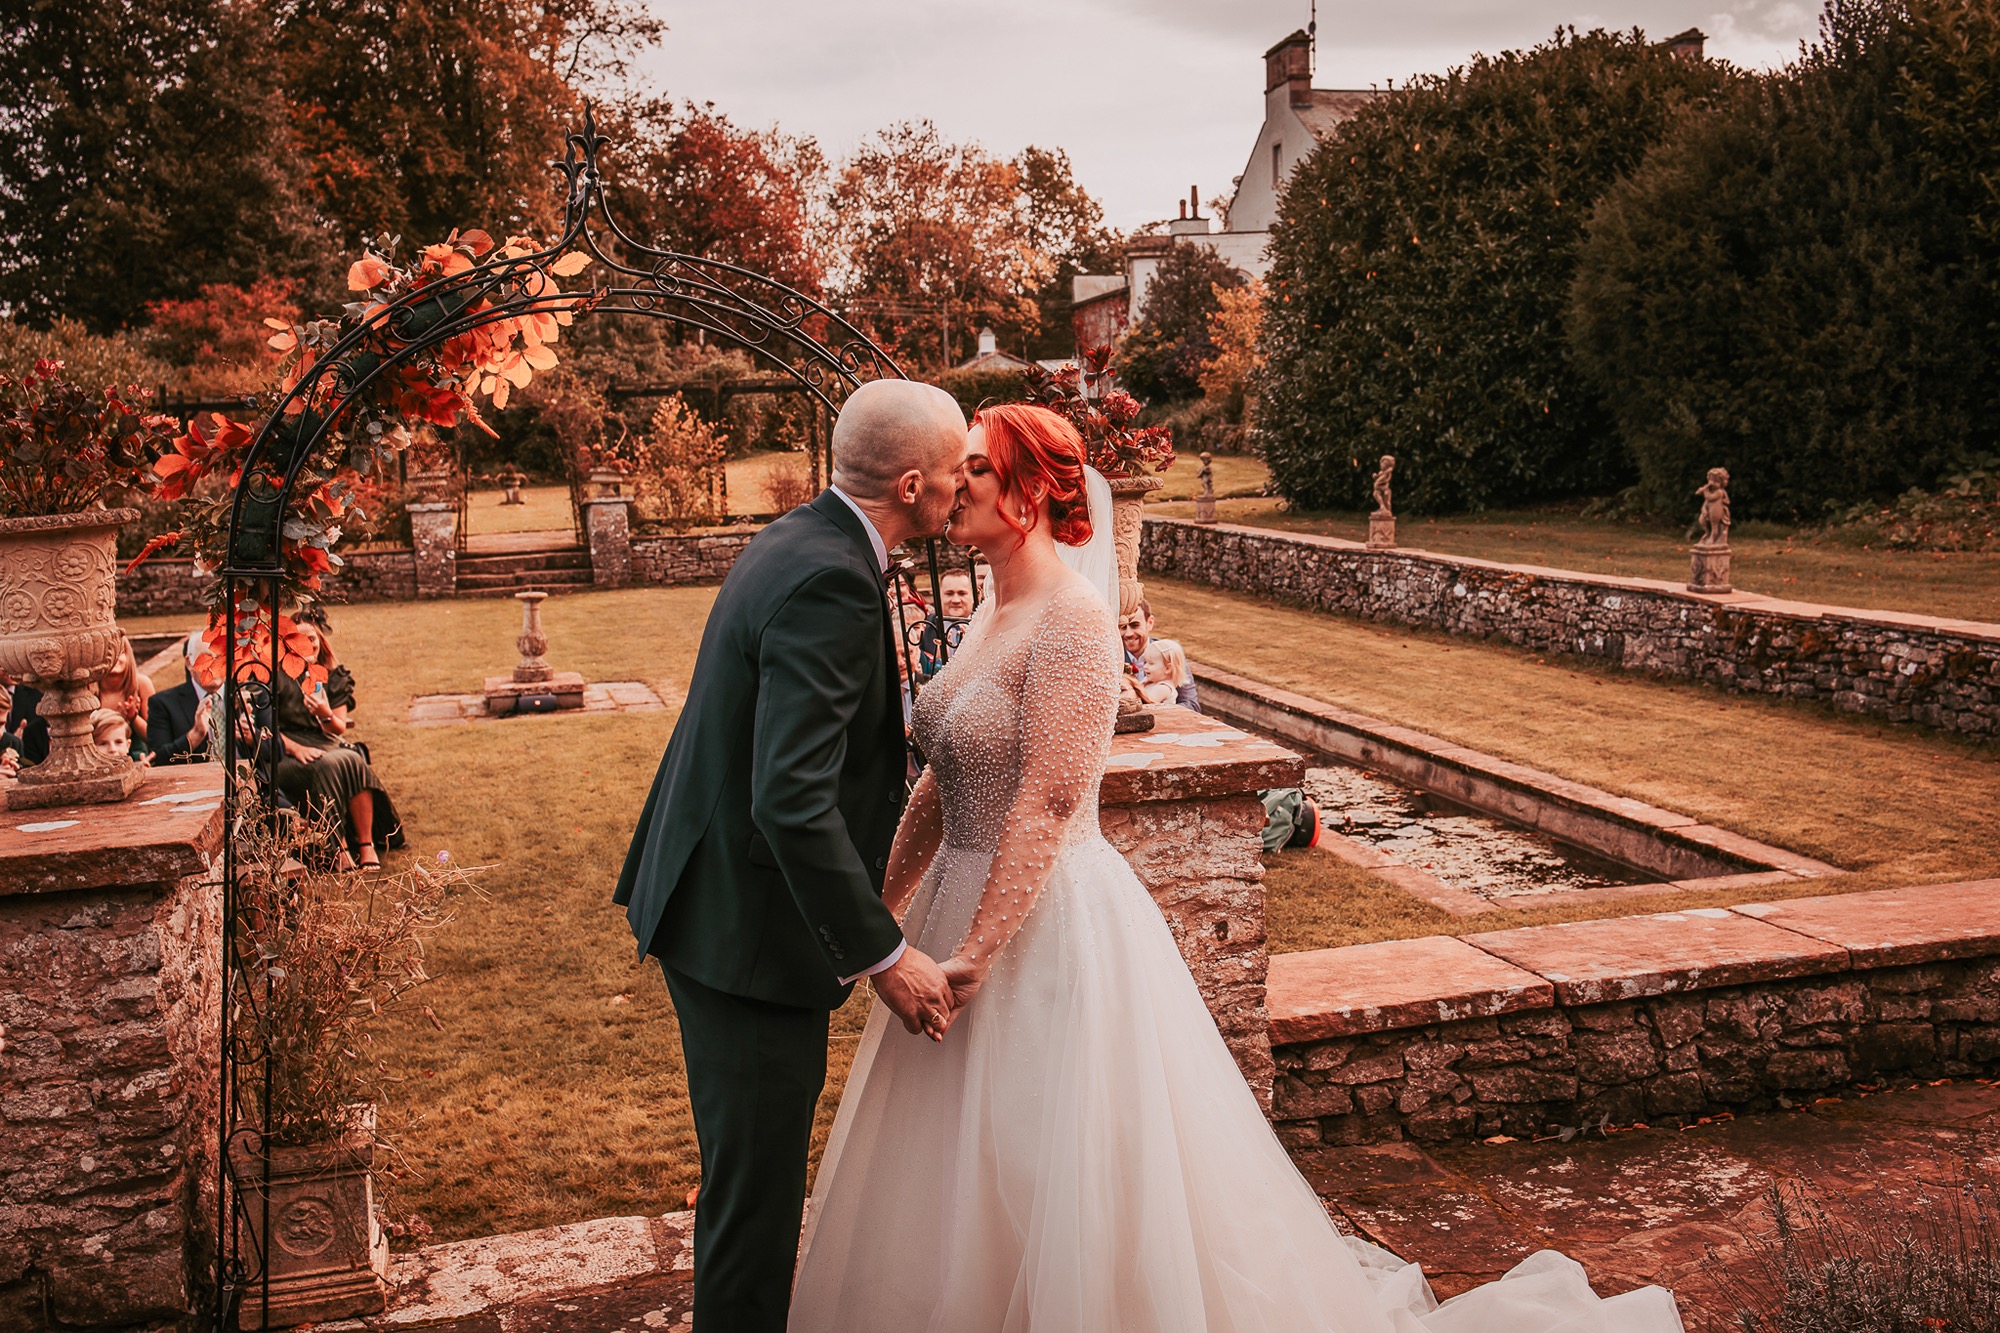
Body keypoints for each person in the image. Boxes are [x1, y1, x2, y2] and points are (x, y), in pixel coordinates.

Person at [787, 401, 1682, 1332]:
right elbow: (941, 779)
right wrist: (874, 915)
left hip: (1041, 928)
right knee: (947, 1175)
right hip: (947, 915)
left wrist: (976, 949)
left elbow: (1049, 800)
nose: (953, 482)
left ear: (1029, 494)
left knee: (1057, 1167)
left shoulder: (1075, 623)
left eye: (976, 467)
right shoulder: (984, 619)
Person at [613, 379, 966, 1333]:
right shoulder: (833, 578)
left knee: (744, 1181)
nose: (963, 485)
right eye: (955, 469)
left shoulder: (800, 536)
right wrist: (881, 954)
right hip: (749, 937)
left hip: (708, 899)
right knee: (755, 1205)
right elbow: (791, 797)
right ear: (909, 481)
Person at [271, 617, 402, 871]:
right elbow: (266, 726)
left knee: (353, 756)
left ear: (321, 641)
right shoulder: (277, 676)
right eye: (301, 638)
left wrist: (324, 713)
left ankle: (366, 844)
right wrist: (294, 748)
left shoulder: (332, 675)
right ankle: (338, 847)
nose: (309, 643)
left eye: (313, 638)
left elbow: (338, 727)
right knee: (328, 764)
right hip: (287, 748)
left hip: (326, 739)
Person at [148, 631, 220, 766]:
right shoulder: (163, 704)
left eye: (220, 658)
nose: (214, 665)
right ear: (189, 662)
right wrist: (196, 735)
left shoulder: (252, 695)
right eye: (206, 658)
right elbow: (158, 760)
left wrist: (251, 737)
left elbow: (270, 747)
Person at [1117, 597, 1200, 711]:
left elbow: (1191, 704)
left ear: (1150, 623)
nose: (1128, 633)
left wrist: (1164, 711)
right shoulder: (1112, 656)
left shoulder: (1167, 652)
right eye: (1123, 627)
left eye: (1135, 625)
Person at [95, 635, 156, 754]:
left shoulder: (142, 684)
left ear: (128, 656)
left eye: (121, 652)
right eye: (108, 653)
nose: (114, 658)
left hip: (135, 755)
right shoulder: (88, 689)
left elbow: (155, 737)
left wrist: (133, 718)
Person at [916, 567, 976, 675]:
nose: (956, 600)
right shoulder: (923, 626)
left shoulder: (985, 625)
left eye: (962, 593)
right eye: (949, 593)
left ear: (973, 595)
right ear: (939, 596)